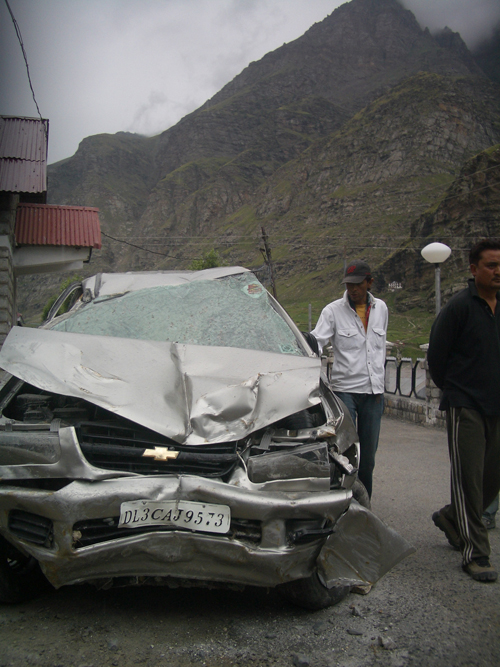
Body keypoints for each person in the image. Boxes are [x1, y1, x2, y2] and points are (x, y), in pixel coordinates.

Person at [428, 238, 500, 583]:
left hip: (497, 406)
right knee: (469, 480)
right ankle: (476, 554)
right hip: (466, 405)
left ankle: (451, 517)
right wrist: (456, 392)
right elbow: (436, 358)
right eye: (491, 265)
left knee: (491, 479)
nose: (498, 271)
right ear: (474, 270)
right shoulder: (459, 307)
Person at [310, 259, 388, 498]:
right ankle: (342, 501)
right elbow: (317, 341)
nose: (353, 289)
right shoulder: (332, 311)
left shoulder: (381, 309)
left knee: (369, 458)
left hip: (374, 394)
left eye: (358, 284)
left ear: (369, 282)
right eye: (348, 284)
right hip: (346, 392)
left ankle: (365, 505)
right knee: (345, 451)